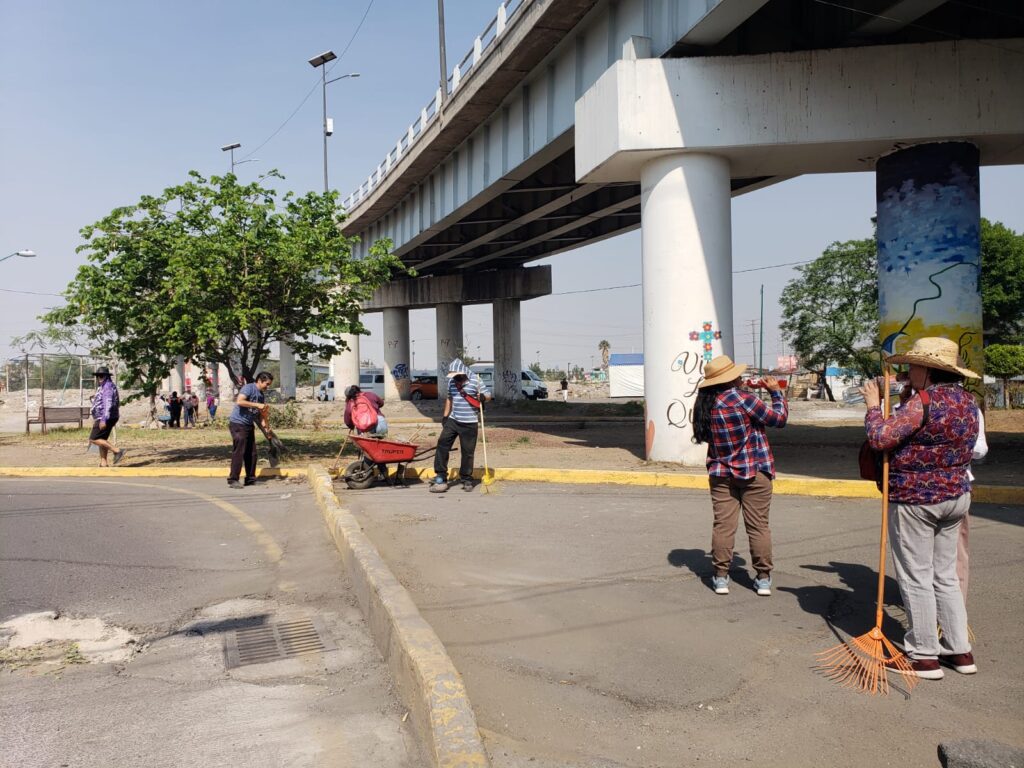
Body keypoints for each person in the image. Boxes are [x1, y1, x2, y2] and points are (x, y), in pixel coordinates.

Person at [861, 336, 979, 679]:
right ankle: (959, 651)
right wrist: (903, 399)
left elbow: (881, 437)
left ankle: (924, 654)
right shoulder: (966, 401)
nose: (907, 371)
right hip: (956, 495)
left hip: (917, 499)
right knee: (945, 576)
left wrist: (872, 406)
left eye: (912, 365)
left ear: (927, 369)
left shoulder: (924, 402)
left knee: (916, 576)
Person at [691, 354, 788, 596]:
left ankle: (721, 577)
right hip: (755, 470)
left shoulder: (705, 405)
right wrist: (776, 392)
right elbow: (779, 419)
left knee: (723, 526)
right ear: (731, 378)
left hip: (721, 472)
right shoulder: (745, 399)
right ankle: (763, 578)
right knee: (758, 527)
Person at [430, 358, 492, 493]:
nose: (455, 378)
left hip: (469, 422)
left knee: (468, 452)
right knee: (442, 444)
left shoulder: (476, 380)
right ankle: (440, 475)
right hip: (453, 420)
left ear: (462, 373)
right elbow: (449, 398)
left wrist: (483, 397)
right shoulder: (452, 382)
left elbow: (488, 395)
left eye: (456, 376)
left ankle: (466, 478)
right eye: (453, 376)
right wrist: (445, 416)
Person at [227, 371, 273, 489]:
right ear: (259, 381)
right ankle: (233, 479)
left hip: (248, 425)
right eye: (266, 384)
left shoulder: (261, 395)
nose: (268, 387)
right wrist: (257, 405)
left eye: (269, 385)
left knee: (252, 453)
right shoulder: (248, 388)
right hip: (237, 423)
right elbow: (240, 401)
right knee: (239, 451)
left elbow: (261, 416)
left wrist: (266, 429)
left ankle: (250, 479)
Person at [89, 366, 126, 467]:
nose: (99, 378)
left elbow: (108, 403)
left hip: (105, 417)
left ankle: (117, 451)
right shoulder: (104, 386)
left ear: (106, 376)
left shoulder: (107, 387)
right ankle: (103, 463)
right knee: (102, 439)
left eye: (101, 376)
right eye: (98, 376)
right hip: (106, 416)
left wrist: (103, 420)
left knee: (93, 439)